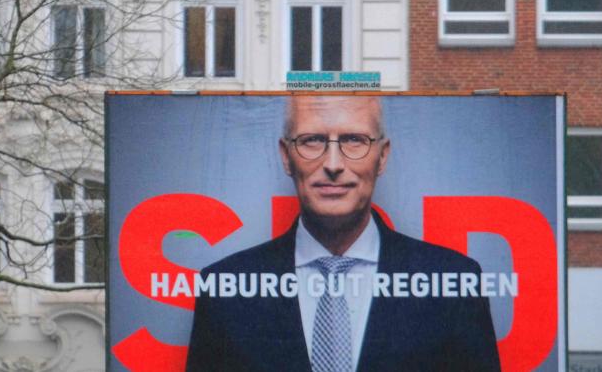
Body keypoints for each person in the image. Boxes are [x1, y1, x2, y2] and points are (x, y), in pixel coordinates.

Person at [185, 95, 501, 372]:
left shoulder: (455, 285)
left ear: (383, 156)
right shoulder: (224, 291)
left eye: (353, 139)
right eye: (312, 140)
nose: (333, 163)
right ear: (285, 155)